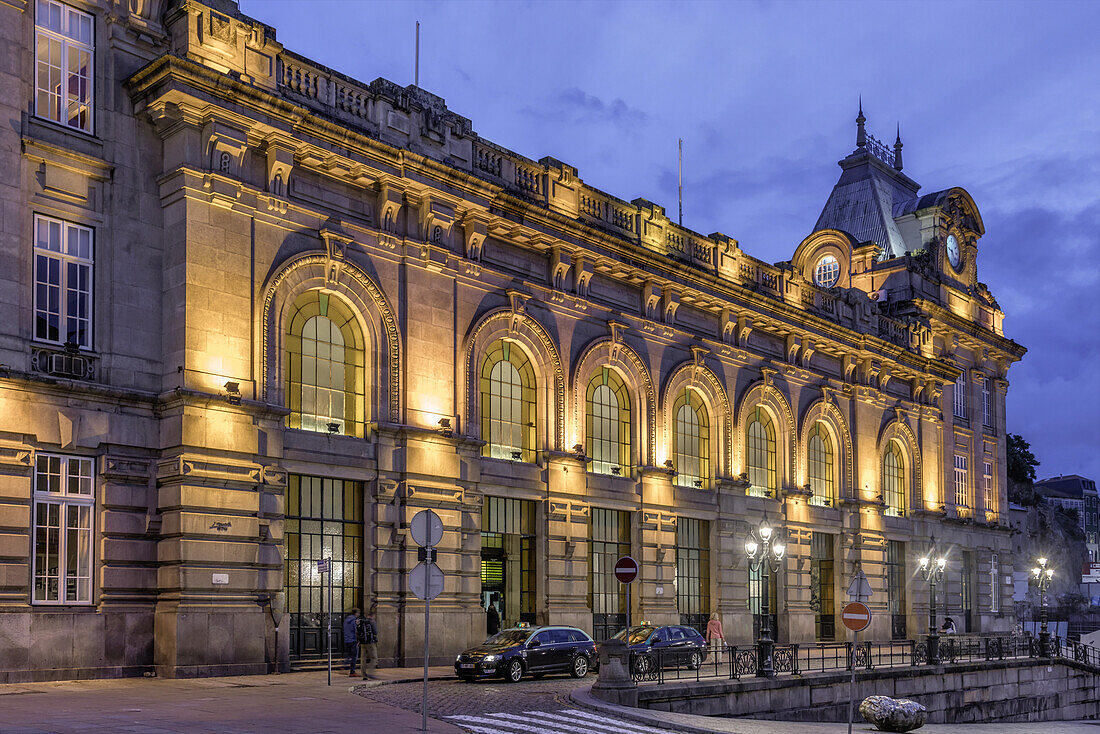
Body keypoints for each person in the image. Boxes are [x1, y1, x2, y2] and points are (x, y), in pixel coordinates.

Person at [358, 606, 379, 679]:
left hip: (363, 642)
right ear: (373, 616)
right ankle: (370, 672)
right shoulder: (372, 622)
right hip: (370, 642)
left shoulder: (362, 621)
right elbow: (376, 632)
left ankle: (363, 675)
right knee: (374, 658)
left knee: (363, 659)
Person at [343, 607, 362, 677]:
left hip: (347, 639)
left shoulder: (346, 620)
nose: (359, 615)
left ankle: (344, 664)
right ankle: (352, 672)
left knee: (350, 654)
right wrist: (358, 639)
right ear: (356, 613)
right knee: (354, 656)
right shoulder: (354, 620)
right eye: (358, 613)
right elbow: (355, 631)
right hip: (353, 640)